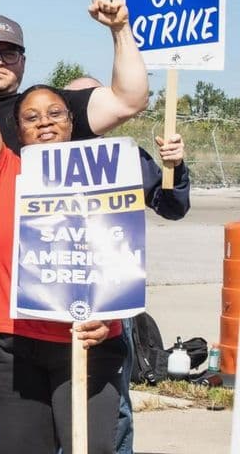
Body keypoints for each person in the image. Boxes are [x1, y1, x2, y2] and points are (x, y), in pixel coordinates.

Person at [0, 0, 148, 454]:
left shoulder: (105, 171)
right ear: (17, 130)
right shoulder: (3, 171)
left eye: (55, 114)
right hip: (10, 343)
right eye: (31, 118)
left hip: (86, 342)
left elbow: (132, 97)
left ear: (74, 123)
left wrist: (120, 29)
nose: (45, 122)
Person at [64, 76, 191, 454]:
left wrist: (176, 167)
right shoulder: (40, 155)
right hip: (51, 299)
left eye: (94, 99)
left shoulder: (125, 157)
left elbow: (172, 206)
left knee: (114, 406)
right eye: (76, 100)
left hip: (112, 304)